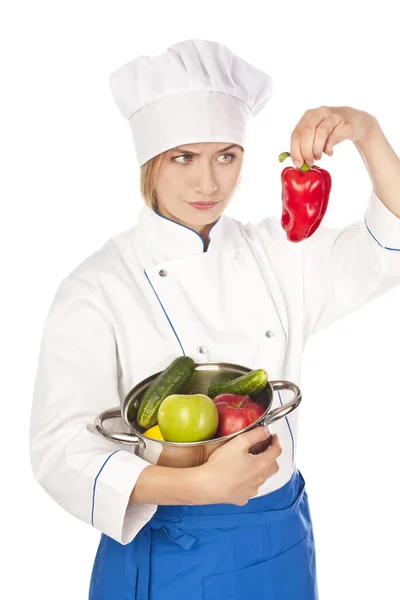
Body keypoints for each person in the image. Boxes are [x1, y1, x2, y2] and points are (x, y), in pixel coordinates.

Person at [29, 38, 400, 600]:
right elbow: (60, 451)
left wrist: (368, 132)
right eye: (184, 157)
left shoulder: (279, 253)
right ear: (150, 162)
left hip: (280, 538)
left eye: (226, 155)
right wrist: (199, 484)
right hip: (170, 547)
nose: (208, 183)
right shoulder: (98, 285)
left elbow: (390, 242)